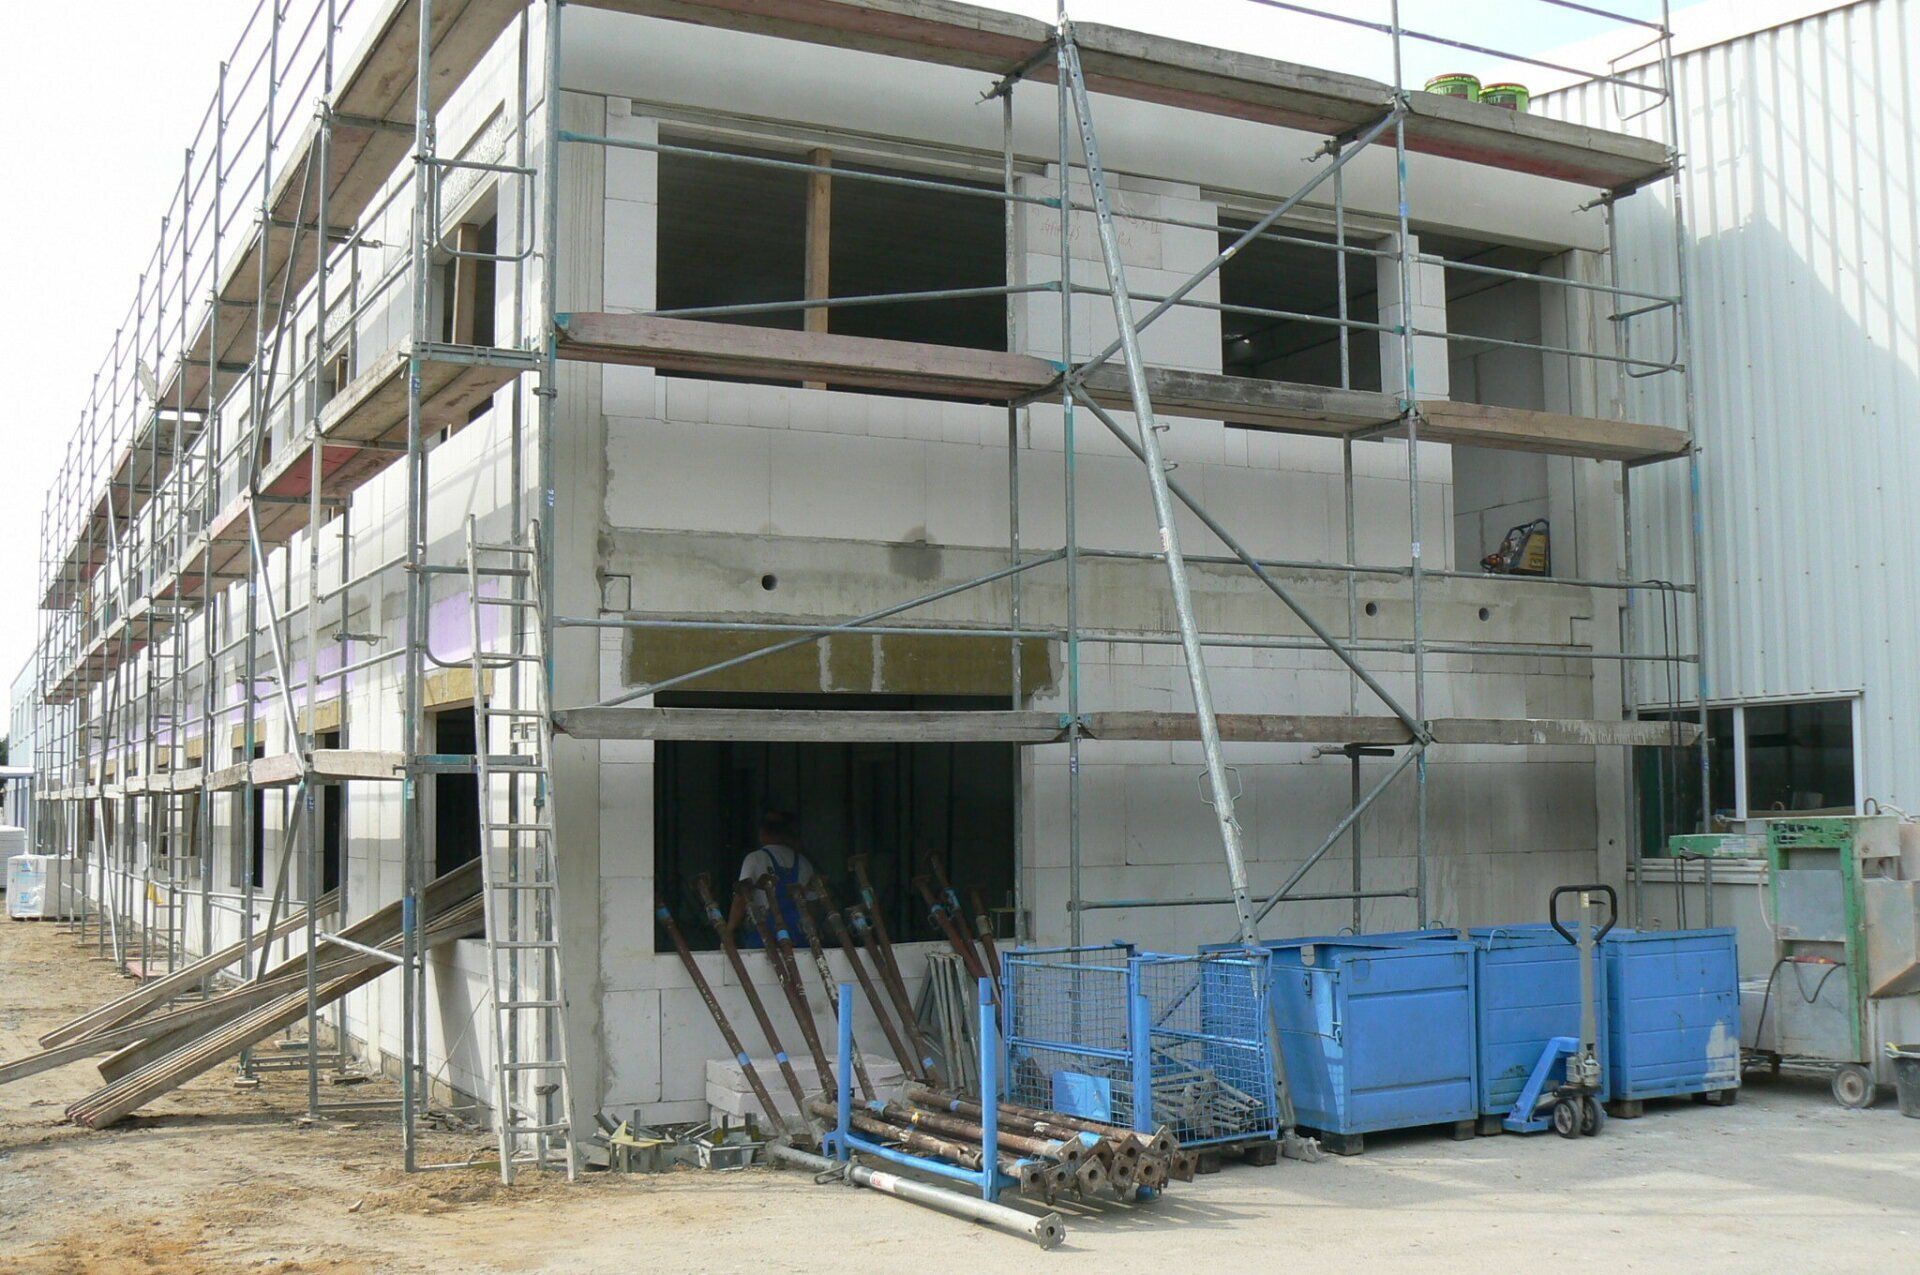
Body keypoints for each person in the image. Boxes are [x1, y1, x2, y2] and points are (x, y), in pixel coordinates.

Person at [728, 811, 816, 947]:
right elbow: (812, 907)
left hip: (764, 938)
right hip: (800, 937)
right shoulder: (804, 863)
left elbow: (741, 899)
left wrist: (729, 933)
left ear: (762, 832)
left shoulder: (755, 859)